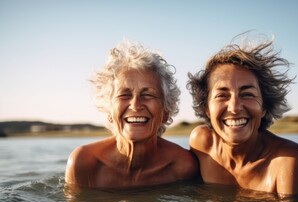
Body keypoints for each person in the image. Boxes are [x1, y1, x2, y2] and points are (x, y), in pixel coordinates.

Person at [187, 34, 298, 195]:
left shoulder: (290, 160)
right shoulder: (202, 142)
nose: (234, 107)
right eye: (222, 95)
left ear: (264, 107)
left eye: (247, 94)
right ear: (206, 108)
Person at [65, 41, 199, 189]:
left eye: (148, 94)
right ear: (110, 111)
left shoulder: (183, 166)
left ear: (166, 112)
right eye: (124, 95)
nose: (135, 105)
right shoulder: (84, 163)